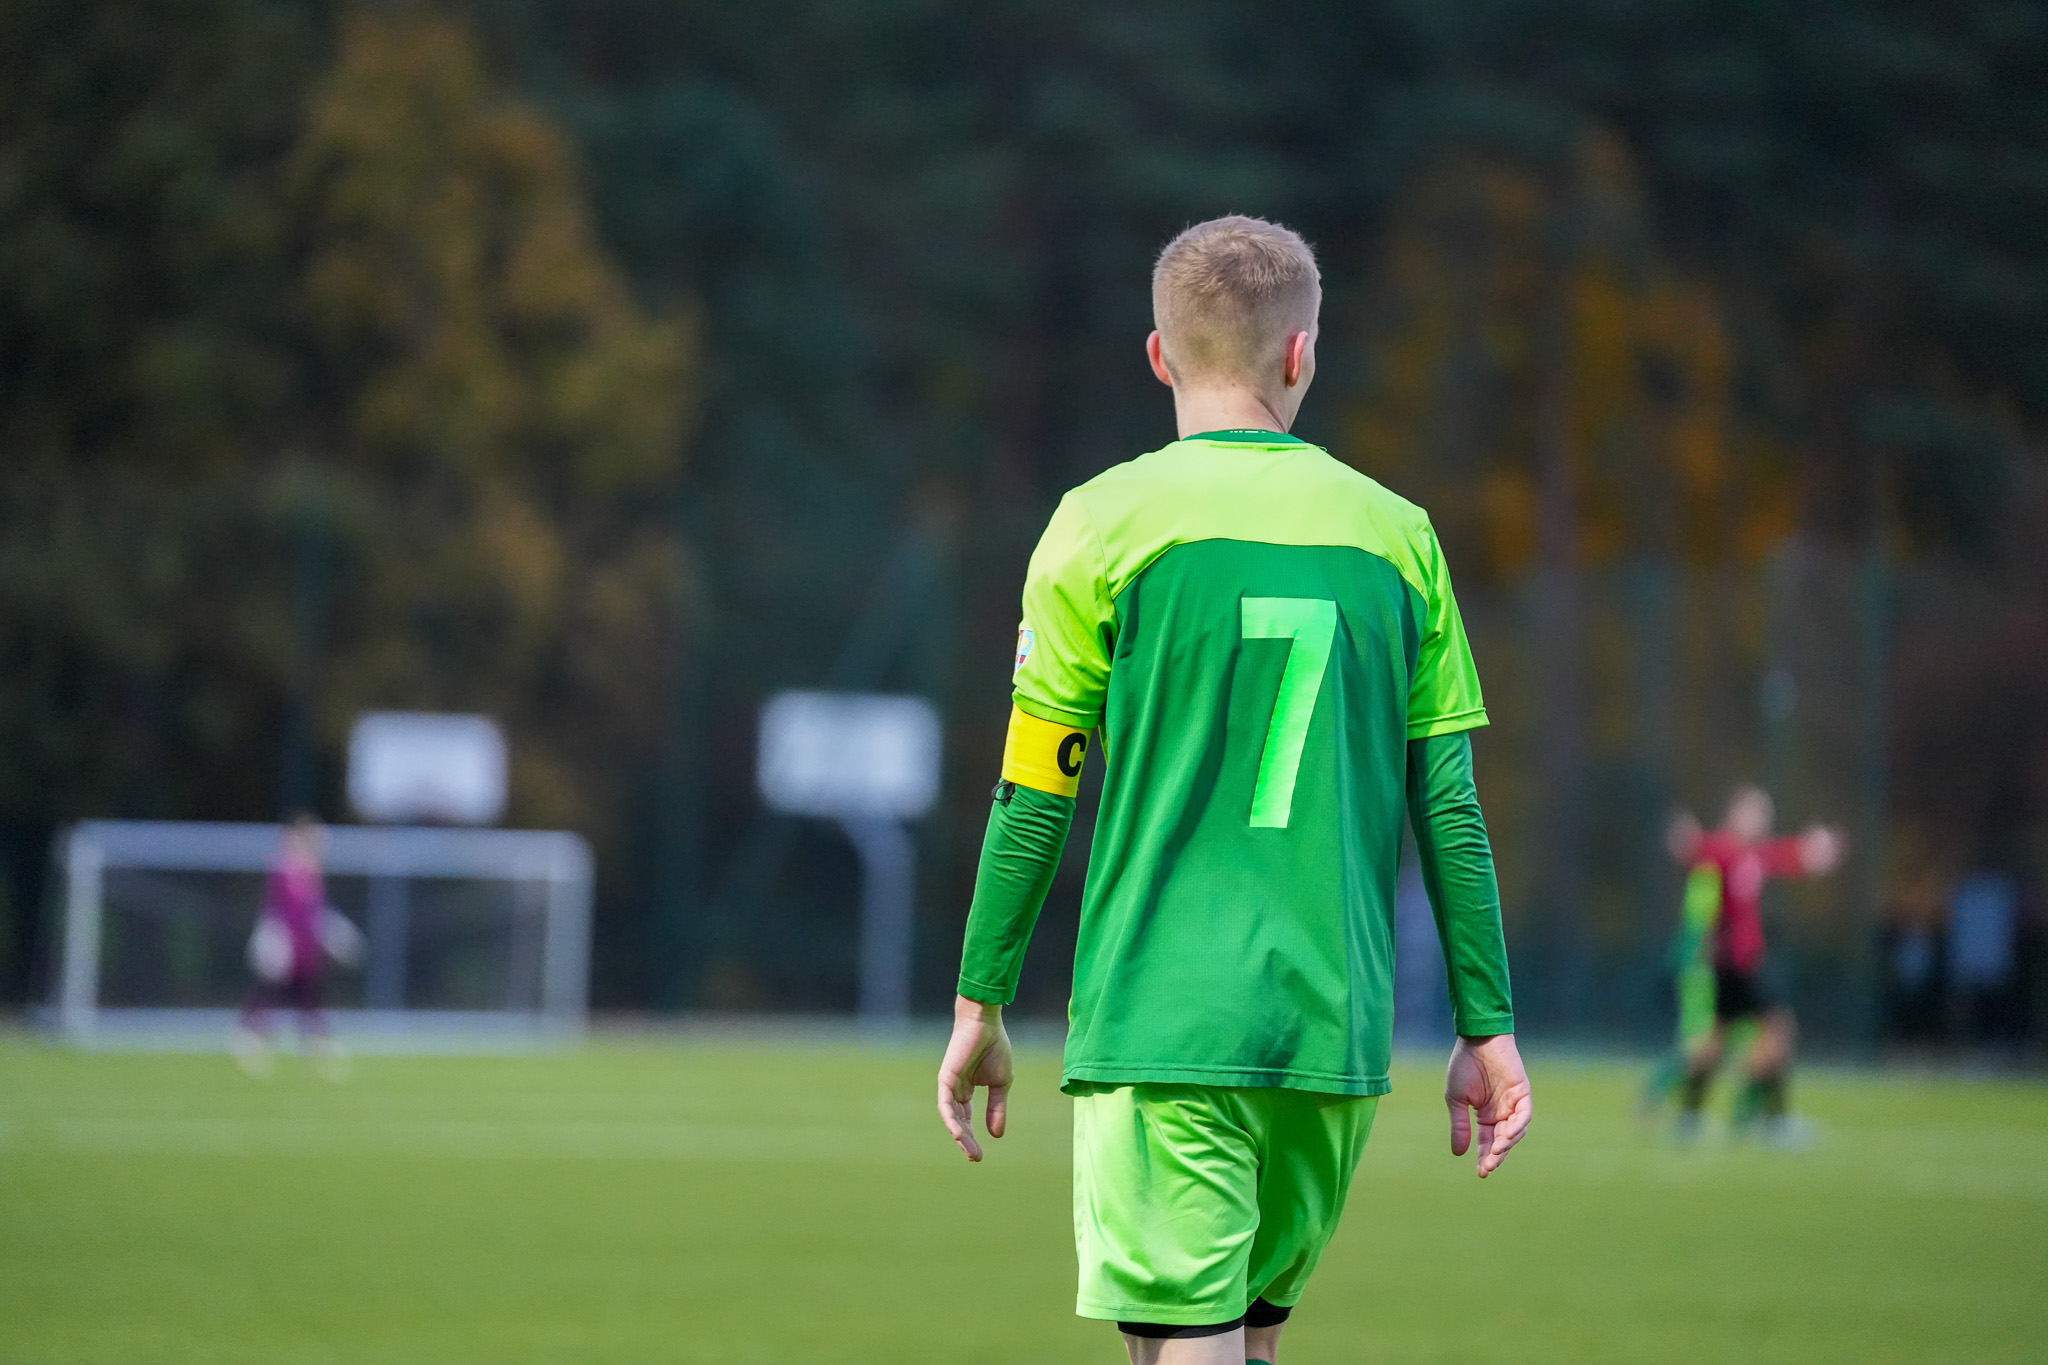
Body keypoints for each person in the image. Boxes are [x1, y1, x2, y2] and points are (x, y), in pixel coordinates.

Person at [936, 216, 1530, 1365]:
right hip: (1330, 1032)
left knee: (1184, 1347)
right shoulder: (1398, 536)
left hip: (1167, 1017)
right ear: (1300, 354)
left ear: (1157, 355)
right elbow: (1448, 808)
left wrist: (979, 1004)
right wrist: (1484, 1024)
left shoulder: (1099, 523)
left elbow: (1034, 792)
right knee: (1249, 1344)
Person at [1662, 785, 1842, 1140]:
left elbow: (1781, 856)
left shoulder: (1751, 855)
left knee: (1716, 1043)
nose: (1761, 819)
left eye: (1764, 813)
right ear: (1734, 815)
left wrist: (1811, 851)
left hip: (1737, 966)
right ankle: (1773, 1120)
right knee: (1779, 1031)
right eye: (1754, 812)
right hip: (1737, 965)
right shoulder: (1725, 850)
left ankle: (1689, 1117)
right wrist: (1686, 839)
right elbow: (1699, 849)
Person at [235, 814, 359, 1080]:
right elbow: (273, 906)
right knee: (270, 990)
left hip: (306, 945)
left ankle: (316, 1042)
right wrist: (270, 936)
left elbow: (317, 909)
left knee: (309, 993)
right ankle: (251, 1036)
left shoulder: (312, 869)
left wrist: (333, 931)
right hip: (287, 943)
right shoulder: (283, 867)